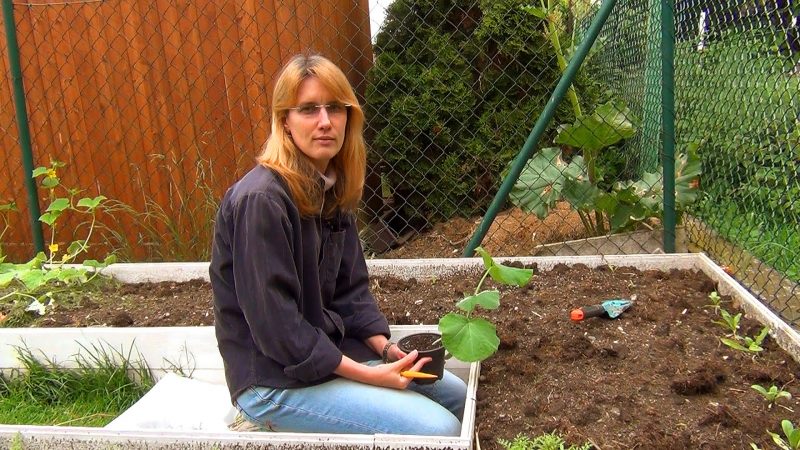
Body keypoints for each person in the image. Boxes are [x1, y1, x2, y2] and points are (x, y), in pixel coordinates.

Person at [209, 54, 466, 436]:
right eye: (309, 109)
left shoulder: (330, 188)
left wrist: (384, 350)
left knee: (455, 393)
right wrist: (368, 375)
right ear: (285, 122)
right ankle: (261, 423)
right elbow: (278, 329)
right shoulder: (261, 201)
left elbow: (351, 293)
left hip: (323, 356)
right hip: (272, 379)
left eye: (336, 108)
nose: (326, 121)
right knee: (439, 429)